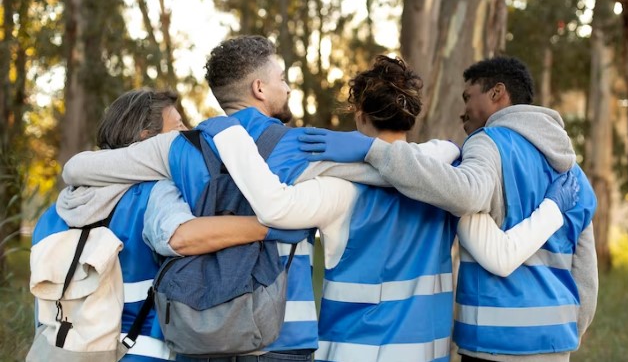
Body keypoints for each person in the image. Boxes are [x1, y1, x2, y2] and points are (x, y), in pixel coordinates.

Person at [61, 51, 578, 362]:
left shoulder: (335, 185)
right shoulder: (447, 165)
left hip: (347, 348)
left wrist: (232, 140)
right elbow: (478, 224)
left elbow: (274, 205)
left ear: (358, 115)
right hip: (430, 349)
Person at [298, 56, 598, 362]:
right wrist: (569, 330)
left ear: (497, 93)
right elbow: (587, 273)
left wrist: (368, 153)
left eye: (469, 97)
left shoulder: (487, 145)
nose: (463, 110)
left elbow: (466, 193)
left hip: (492, 341)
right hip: (556, 342)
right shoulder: (573, 173)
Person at [32, 88, 305, 362]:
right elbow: (180, 237)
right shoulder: (154, 193)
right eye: (178, 128)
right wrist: (270, 226)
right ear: (146, 138)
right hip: (141, 351)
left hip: (63, 352)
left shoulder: (55, 212)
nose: (187, 135)